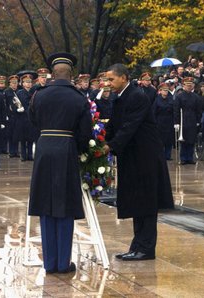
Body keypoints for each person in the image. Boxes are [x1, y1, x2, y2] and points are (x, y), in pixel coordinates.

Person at [28, 52, 92, 274]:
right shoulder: (78, 97)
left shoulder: (39, 95)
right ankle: (63, 263)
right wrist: (81, 150)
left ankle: (50, 263)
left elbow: (33, 121)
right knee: (64, 206)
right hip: (66, 149)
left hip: (45, 148)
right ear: (70, 73)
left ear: (52, 74)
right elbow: (85, 132)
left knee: (46, 205)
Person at [103, 63, 174, 261]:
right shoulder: (122, 96)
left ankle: (146, 248)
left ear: (123, 77)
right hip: (133, 156)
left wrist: (110, 146)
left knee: (147, 203)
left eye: (111, 79)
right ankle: (137, 245)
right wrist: (101, 139)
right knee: (137, 202)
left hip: (145, 157)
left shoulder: (137, 96)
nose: (108, 83)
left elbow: (129, 126)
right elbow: (115, 124)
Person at [173, 77, 201, 164]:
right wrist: (176, 122)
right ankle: (183, 158)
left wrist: (198, 120)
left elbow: (198, 110)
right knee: (184, 140)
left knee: (191, 140)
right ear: (183, 85)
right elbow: (176, 110)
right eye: (187, 85)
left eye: (190, 85)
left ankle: (190, 158)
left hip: (192, 119)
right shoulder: (179, 96)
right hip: (183, 119)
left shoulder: (196, 97)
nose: (189, 87)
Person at [152, 82, 175, 160]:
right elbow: (154, 112)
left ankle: (168, 155)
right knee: (160, 140)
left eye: (167, 90)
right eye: (164, 90)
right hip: (160, 121)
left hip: (169, 121)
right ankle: (161, 155)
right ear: (160, 91)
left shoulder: (171, 98)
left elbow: (174, 110)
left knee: (169, 140)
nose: (165, 92)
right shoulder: (157, 100)